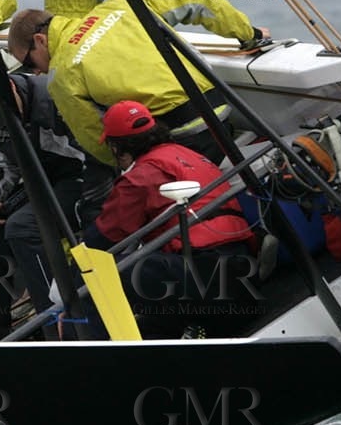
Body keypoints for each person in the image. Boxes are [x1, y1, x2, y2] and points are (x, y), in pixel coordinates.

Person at [5, 0, 267, 167]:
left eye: (29, 62)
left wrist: (126, 167)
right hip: (220, 106)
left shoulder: (62, 75)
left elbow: (97, 140)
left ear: (40, 40)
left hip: (178, 136)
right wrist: (248, 33)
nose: (36, 72)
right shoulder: (120, 4)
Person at [81, 101, 256, 339]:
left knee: (94, 279)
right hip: (242, 265)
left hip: (206, 277)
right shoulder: (187, 154)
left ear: (115, 147)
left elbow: (102, 239)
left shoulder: (139, 177)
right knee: (152, 316)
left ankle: (99, 355)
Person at [0, 67, 105, 340]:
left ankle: (57, 330)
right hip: (42, 184)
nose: (2, 123)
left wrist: (93, 206)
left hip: (86, 179)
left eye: (3, 113)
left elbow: (97, 154)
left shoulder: (56, 99)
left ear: (11, 88)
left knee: (22, 228)